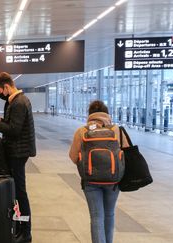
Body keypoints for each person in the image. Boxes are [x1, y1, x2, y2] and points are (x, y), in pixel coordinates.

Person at [0, 72, 36, 243]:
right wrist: (1, 120)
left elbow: (14, 130)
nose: (0, 94)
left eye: (0, 90)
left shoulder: (19, 102)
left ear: (6, 86)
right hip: (16, 151)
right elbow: (13, 124)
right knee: (16, 191)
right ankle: (19, 226)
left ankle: (25, 232)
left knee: (20, 193)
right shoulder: (14, 101)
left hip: (18, 152)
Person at [69, 100, 129, 243]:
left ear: (90, 115)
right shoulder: (116, 130)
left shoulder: (82, 131)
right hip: (114, 180)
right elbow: (127, 152)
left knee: (96, 217)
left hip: (91, 181)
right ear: (107, 114)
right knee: (109, 214)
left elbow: (72, 156)